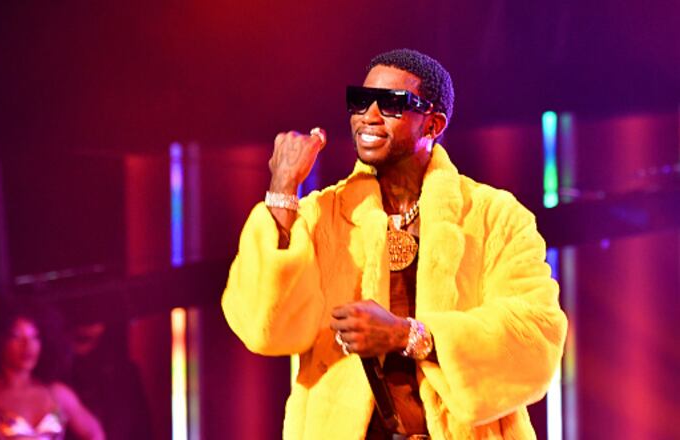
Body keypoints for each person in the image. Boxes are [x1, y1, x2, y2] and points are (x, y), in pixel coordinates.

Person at [222, 48, 568, 439]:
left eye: (391, 104)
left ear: (433, 124)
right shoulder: (321, 215)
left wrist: (407, 335)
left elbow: (536, 339)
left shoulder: (494, 217)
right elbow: (263, 328)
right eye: (360, 101)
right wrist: (282, 188)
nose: (368, 115)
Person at [0, 303, 105, 440]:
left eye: (35, 337)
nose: (28, 345)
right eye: (17, 337)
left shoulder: (57, 393)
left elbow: (95, 433)